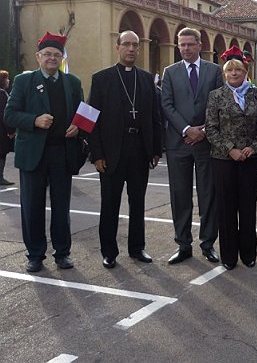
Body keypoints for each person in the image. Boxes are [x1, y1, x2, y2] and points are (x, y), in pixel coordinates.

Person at [4, 31, 83, 272]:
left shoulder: (73, 82)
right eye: (47, 54)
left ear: (62, 58)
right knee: (32, 205)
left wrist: (79, 127)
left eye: (56, 55)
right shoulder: (24, 81)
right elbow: (9, 115)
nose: (52, 58)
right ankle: (35, 255)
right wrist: (34, 120)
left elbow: (84, 113)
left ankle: (62, 253)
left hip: (62, 152)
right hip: (34, 154)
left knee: (62, 206)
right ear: (38, 57)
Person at [87, 30, 162, 269]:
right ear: (117, 47)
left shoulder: (147, 79)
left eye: (135, 45)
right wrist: (96, 154)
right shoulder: (101, 78)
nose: (131, 49)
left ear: (139, 49)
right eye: (126, 44)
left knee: (138, 202)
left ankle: (137, 247)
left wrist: (156, 149)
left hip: (139, 149)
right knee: (110, 202)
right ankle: (109, 251)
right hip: (111, 152)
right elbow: (92, 120)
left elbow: (155, 116)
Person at [161, 27, 223, 265]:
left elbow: (219, 104)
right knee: (180, 195)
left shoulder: (214, 71)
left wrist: (204, 131)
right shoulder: (170, 72)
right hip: (179, 143)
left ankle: (208, 244)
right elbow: (166, 105)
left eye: (189, 44)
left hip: (207, 143)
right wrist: (187, 130)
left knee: (208, 194)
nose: (185, 49)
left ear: (199, 45)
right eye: (181, 45)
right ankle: (183, 245)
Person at [205, 57, 257, 270]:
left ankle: (249, 253)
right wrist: (230, 149)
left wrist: (254, 146)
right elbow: (211, 128)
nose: (234, 73)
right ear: (224, 75)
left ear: (245, 72)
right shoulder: (216, 96)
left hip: (250, 159)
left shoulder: (256, 94)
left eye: (238, 70)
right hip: (224, 159)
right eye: (229, 71)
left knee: (248, 207)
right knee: (226, 208)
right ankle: (229, 256)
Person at [0, 70, 15, 185]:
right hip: (2, 130)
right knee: (2, 153)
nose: (8, 81)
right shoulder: (2, 94)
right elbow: (5, 114)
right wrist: (11, 130)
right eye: (7, 78)